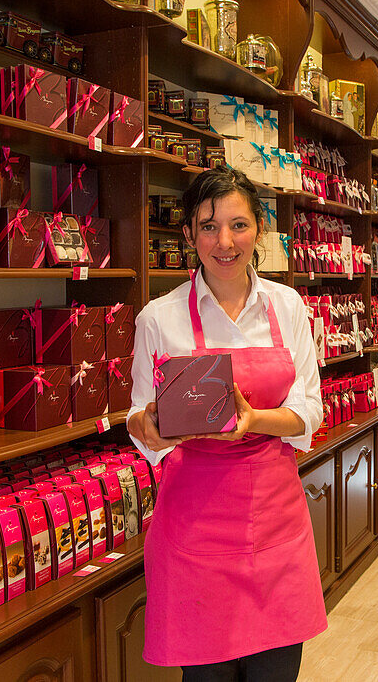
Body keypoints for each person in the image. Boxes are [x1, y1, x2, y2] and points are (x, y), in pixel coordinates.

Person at [126, 167, 327, 681]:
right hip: (194, 533)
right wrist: (147, 425)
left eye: (238, 225)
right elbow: (139, 412)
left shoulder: (287, 306)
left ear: (259, 229)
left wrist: (254, 419)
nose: (224, 241)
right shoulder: (158, 317)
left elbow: (309, 409)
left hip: (276, 525)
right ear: (189, 234)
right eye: (209, 226)